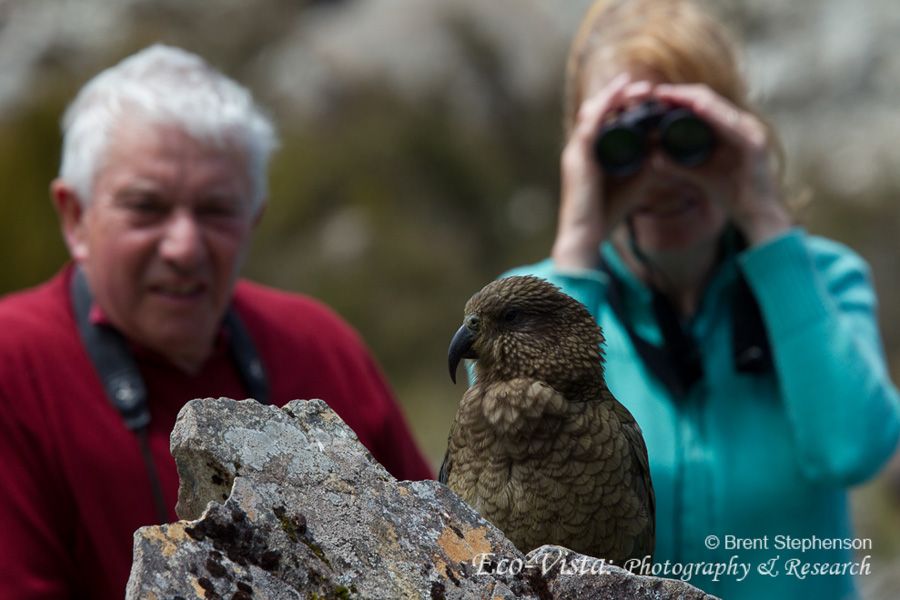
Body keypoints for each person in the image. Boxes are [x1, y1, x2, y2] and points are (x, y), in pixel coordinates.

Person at [0, 44, 432, 599]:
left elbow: (435, 563)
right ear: (76, 216)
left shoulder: (321, 346)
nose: (184, 246)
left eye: (215, 210)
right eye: (146, 208)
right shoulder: (14, 366)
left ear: (254, 219)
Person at [502, 0, 900, 597]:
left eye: (688, 131)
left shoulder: (821, 280)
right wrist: (578, 244)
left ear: (742, 131)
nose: (659, 168)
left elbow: (851, 451)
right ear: (581, 152)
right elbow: (504, 492)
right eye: (623, 139)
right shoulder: (522, 312)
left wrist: (765, 219)